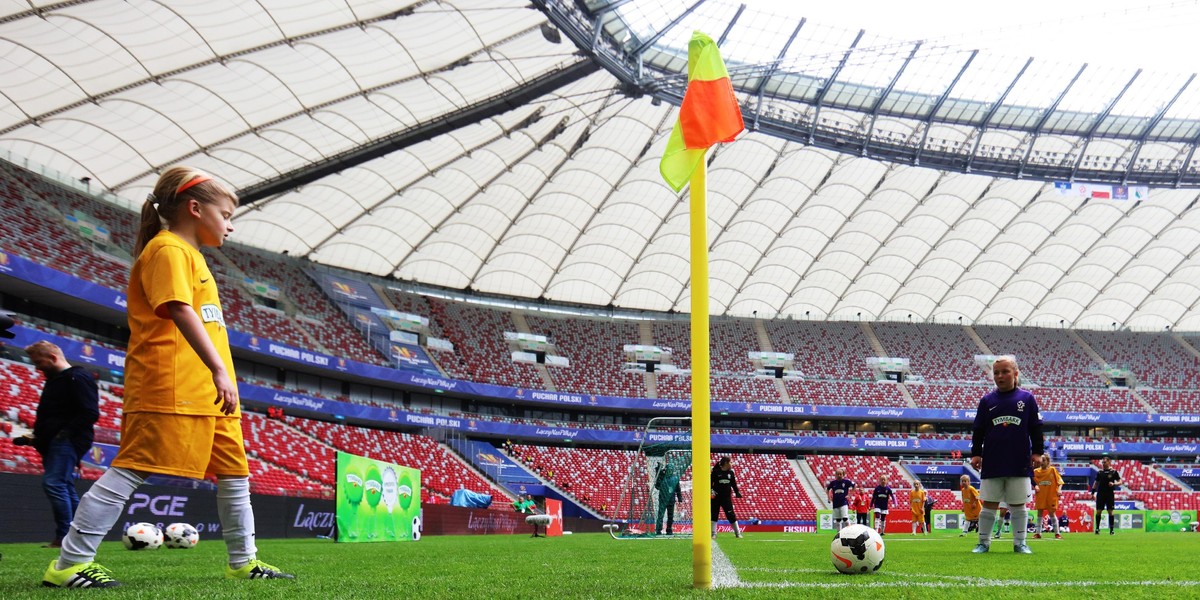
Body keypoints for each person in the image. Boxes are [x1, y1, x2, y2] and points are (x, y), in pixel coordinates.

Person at [42, 168, 293, 588]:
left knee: (235, 476)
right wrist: (217, 369)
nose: (230, 225)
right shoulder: (168, 249)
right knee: (132, 468)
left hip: (211, 394)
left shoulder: (192, 256)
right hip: (172, 384)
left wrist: (219, 377)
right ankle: (69, 564)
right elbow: (178, 310)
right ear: (195, 209)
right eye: (226, 214)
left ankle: (244, 561)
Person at [13, 341, 99, 548]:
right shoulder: (55, 380)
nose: (37, 367)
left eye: (38, 362)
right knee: (64, 485)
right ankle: (76, 536)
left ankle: (65, 536)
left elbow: (89, 412)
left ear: (52, 358)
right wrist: (35, 437)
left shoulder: (76, 377)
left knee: (54, 483)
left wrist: (64, 434)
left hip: (68, 440)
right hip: (56, 440)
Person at [970, 356, 1044, 555]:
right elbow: (978, 430)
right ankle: (983, 543)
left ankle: (1020, 543)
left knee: (1019, 503)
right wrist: (976, 453)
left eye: (1005, 371)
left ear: (1016, 373)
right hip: (993, 460)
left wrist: (1037, 452)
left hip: (1019, 460)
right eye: (996, 372)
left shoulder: (1027, 399)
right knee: (989, 503)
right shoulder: (986, 401)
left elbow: (1036, 428)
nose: (1000, 376)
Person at [710, 456, 743, 539]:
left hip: (726, 498)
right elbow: (710, 483)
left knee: (731, 515)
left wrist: (737, 492)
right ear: (726, 463)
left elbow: (733, 484)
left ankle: (738, 533)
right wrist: (711, 491)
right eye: (730, 462)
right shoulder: (716, 472)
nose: (732, 464)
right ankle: (714, 533)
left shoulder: (731, 473)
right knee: (714, 515)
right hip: (716, 498)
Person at [1032, 454, 1064, 539]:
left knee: (1052, 514)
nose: (1042, 462)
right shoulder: (1036, 471)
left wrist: (1059, 490)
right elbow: (1032, 481)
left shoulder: (1052, 470)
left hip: (1051, 496)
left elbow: (1060, 481)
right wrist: (1035, 486)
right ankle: (1038, 533)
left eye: (1044, 460)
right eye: (1041, 460)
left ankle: (1057, 533)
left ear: (1048, 461)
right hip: (1041, 496)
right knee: (1039, 514)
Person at [1091, 456, 1123, 535]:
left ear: (1109, 462)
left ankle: (1111, 530)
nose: (1103, 464)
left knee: (1110, 512)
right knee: (1098, 511)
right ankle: (1097, 529)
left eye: (1105, 462)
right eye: (1102, 462)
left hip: (1109, 494)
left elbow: (1120, 481)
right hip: (1100, 494)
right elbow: (1096, 482)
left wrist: (1114, 484)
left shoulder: (1114, 472)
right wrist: (1092, 492)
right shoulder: (1100, 472)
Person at [654, 462, 683, 535]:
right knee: (661, 516)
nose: (670, 471)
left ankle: (668, 530)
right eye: (669, 469)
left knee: (669, 516)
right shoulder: (662, 477)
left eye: (671, 469)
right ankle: (659, 530)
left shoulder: (675, 478)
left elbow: (678, 489)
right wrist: (658, 470)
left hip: (670, 500)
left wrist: (680, 499)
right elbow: (657, 486)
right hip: (664, 499)